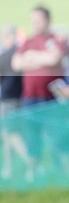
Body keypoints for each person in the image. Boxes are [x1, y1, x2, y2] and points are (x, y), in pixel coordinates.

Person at [11, 6, 67, 106]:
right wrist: (43, 59)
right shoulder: (28, 42)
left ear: (47, 20)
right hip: (30, 96)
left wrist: (31, 55)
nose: (35, 24)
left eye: (38, 21)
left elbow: (53, 59)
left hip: (50, 96)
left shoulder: (56, 39)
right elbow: (16, 64)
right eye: (33, 21)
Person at [0, 25, 34, 181]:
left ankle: (30, 162)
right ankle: (9, 169)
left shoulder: (5, 56)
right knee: (9, 136)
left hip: (7, 101)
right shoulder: (22, 54)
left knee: (12, 135)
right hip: (22, 99)